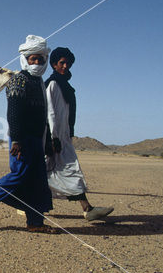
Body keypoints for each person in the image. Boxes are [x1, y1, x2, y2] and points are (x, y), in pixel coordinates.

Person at [0, 35, 56, 233]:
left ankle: (35, 223)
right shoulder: (18, 81)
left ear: (44, 60)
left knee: (37, 180)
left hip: (37, 138)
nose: (36, 63)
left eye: (40, 59)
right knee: (19, 174)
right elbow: (14, 113)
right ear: (25, 59)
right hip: (23, 139)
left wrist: (48, 141)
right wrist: (17, 139)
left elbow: (44, 115)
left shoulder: (39, 83)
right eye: (32, 59)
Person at [44, 47, 113, 221]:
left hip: (63, 136)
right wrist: (54, 137)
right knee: (52, 171)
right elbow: (50, 113)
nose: (65, 66)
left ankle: (87, 208)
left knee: (64, 171)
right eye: (62, 63)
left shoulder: (65, 85)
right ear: (54, 64)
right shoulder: (52, 84)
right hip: (54, 138)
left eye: (68, 63)